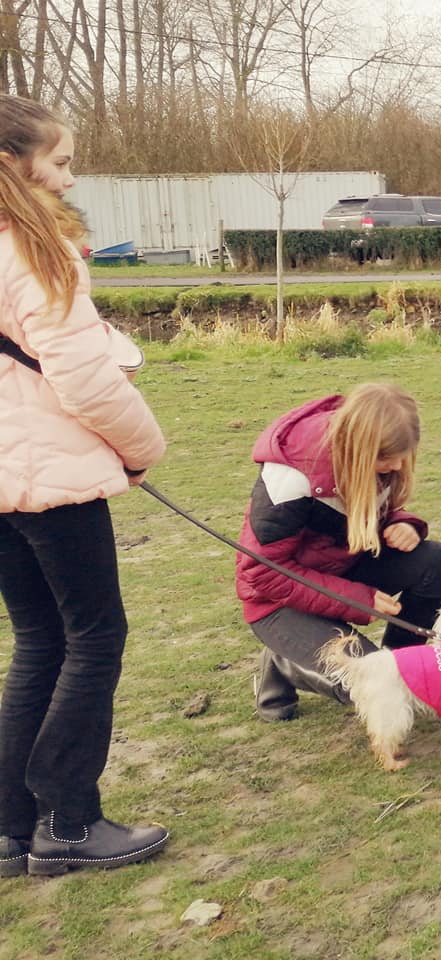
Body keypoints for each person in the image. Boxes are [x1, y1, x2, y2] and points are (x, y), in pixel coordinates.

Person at [0, 95, 169, 878]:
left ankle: (11, 827)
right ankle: (68, 822)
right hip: (53, 480)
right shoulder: (37, 252)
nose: (69, 180)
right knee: (94, 639)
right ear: (14, 165)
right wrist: (142, 451)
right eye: (61, 162)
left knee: (39, 641)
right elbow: (87, 383)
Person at [235, 383, 441, 721]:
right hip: (277, 602)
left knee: (436, 562)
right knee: (367, 681)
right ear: (358, 448)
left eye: (404, 454)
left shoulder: (378, 461)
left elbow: (367, 512)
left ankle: (400, 670)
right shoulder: (289, 480)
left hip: (342, 568)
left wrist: (403, 524)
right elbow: (262, 573)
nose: (398, 465)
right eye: (386, 458)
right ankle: (283, 664)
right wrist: (356, 599)